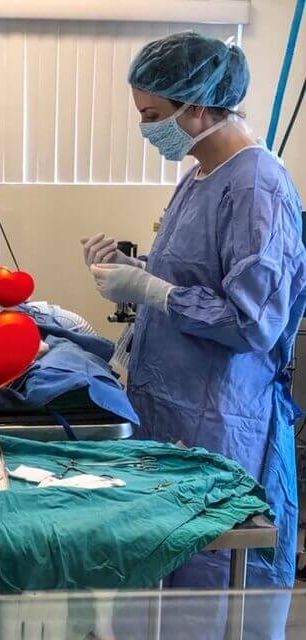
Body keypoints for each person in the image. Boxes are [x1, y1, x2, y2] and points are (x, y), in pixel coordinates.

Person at [82, 32, 305, 637]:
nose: (147, 131)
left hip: (220, 417)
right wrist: (131, 268)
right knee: (163, 573)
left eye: (153, 117)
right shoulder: (201, 175)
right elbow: (191, 272)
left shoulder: (258, 184)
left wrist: (151, 291)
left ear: (198, 107)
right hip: (173, 408)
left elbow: (253, 319)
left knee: (209, 584)